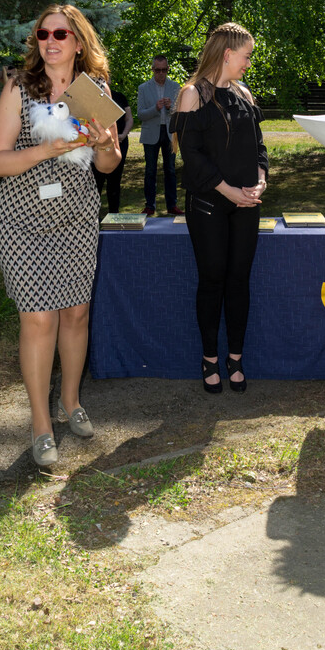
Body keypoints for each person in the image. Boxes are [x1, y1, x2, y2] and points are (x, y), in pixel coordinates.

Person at [0, 4, 121, 466]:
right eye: (43, 34)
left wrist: (106, 144)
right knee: (40, 319)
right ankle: (41, 424)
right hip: (22, 220)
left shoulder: (93, 90)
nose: (50, 41)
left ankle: (71, 401)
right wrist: (46, 150)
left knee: (76, 314)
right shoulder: (20, 87)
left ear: (78, 42)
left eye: (60, 34)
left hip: (77, 217)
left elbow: (109, 165)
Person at [170, 23, 268, 394]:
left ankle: (236, 358)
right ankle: (209, 358)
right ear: (227, 54)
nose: (248, 63)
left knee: (239, 280)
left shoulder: (244, 93)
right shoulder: (192, 94)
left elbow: (259, 146)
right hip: (209, 203)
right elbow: (191, 155)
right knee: (213, 279)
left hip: (246, 203)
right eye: (246, 56)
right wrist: (227, 191)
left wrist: (261, 180)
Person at [137, 56, 183, 215]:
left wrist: (171, 108)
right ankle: (150, 206)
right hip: (151, 134)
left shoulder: (175, 87)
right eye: (158, 70)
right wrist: (155, 108)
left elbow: (179, 113)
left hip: (169, 133)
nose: (161, 73)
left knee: (170, 170)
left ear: (168, 69)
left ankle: (172, 206)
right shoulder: (143, 88)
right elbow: (140, 114)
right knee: (150, 171)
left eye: (164, 70)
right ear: (153, 70)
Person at [93, 86, 133, 212]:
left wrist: (123, 135)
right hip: (96, 146)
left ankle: (114, 213)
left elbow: (129, 118)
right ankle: (95, 212)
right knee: (97, 181)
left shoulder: (120, 97)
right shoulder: (92, 94)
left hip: (120, 142)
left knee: (115, 180)